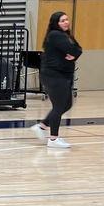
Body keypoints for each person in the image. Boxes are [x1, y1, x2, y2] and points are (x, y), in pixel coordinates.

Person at [31, 11, 82, 149]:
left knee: (67, 104)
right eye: (62, 20)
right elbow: (73, 49)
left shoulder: (66, 35)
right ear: (56, 23)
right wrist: (75, 52)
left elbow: (78, 49)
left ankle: (42, 126)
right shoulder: (55, 35)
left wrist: (75, 53)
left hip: (63, 75)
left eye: (67, 19)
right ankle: (53, 139)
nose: (66, 22)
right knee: (59, 106)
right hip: (54, 76)